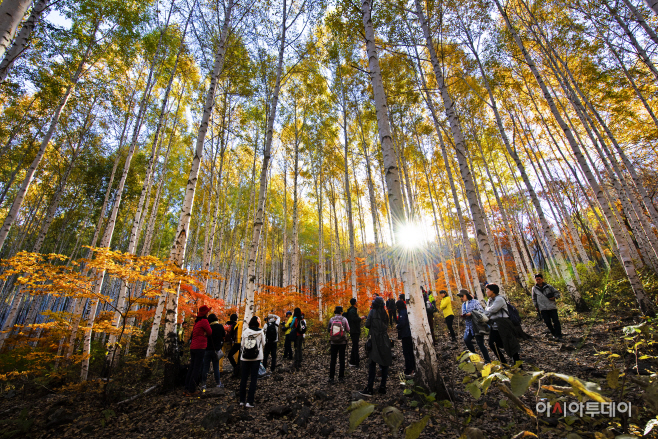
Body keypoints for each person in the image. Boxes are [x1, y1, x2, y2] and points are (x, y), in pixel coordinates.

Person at [359, 296, 392, 396]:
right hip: (384, 339)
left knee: (372, 363)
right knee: (384, 363)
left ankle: (369, 388)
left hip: (374, 339)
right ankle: (383, 387)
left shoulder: (372, 312)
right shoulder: (384, 313)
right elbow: (387, 324)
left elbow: (367, 325)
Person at [484, 283, 521, 366]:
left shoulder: (499, 299)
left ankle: (518, 365)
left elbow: (490, 311)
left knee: (510, 344)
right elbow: (487, 312)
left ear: (493, 291)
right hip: (495, 326)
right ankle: (503, 362)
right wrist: (486, 312)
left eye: (487, 290)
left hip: (504, 325)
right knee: (492, 344)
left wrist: (486, 312)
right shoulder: (490, 300)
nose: (486, 292)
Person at [457, 290, 491, 364]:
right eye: (460, 297)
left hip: (477, 326)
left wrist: (471, 313)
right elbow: (464, 313)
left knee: (480, 343)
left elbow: (481, 311)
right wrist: (464, 316)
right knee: (466, 340)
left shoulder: (475, 302)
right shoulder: (463, 305)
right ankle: (475, 357)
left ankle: (487, 360)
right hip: (468, 326)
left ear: (466, 295)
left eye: (462, 296)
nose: (461, 298)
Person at [184, 305, 212, 395]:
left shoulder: (197, 322)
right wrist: (205, 333)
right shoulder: (204, 321)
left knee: (192, 367)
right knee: (197, 368)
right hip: (200, 347)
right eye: (207, 312)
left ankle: (187, 387)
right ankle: (192, 390)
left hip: (193, 347)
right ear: (205, 313)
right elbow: (210, 332)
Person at [239, 316, 265, 408]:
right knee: (253, 379)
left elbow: (242, 345)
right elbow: (264, 343)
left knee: (244, 378)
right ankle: (250, 401)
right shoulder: (260, 331)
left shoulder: (245, 331)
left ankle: (242, 400)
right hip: (256, 357)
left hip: (245, 358)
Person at [532, 274, 563, 341]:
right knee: (547, 322)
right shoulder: (534, 288)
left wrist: (554, 297)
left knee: (556, 321)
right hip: (542, 308)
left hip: (552, 307)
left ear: (542, 279)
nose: (538, 281)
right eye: (537, 279)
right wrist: (536, 307)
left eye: (539, 279)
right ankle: (554, 334)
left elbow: (557, 293)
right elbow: (534, 298)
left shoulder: (549, 287)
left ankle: (559, 335)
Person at [201, 313, 225, 389]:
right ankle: (218, 383)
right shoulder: (220, 326)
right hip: (216, 350)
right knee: (216, 367)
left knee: (205, 367)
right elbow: (224, 335)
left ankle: (203, 384)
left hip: (207, 349)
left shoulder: (207, 327)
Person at [327, 306, 350, 383]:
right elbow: (348, 329)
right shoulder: (344, 319)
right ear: (341, 312)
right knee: (342, 359)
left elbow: (328, 329)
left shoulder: (331, 319)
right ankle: (341, 377)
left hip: (333, 342)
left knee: (333, 360)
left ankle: (331, 378)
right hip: (342, 342)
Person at [396, 300, 415, 376]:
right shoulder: (405, 311)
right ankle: (411, 368)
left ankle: (409, 369)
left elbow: (403, 323)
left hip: (406, 334)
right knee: (409, 352)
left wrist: (397, 326)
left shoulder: (402, 312)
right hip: (407, 334)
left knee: (407, 352)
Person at [343, 298, 361, 367]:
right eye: (356, 301)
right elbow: (353, 319)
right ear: (355, 303)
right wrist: (360, 318)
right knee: (355, 346)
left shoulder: (352, 310)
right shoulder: (352, 311)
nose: (357, 302)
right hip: (354, 330)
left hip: (354, 330)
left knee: (355, 345)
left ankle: (352, 361)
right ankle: (356, 362)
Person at [227, 313, 243, 378]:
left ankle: (235, 368)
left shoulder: (236, 325)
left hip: (236, 343)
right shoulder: (244, 325)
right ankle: (237, 370)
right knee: (239, 358)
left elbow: (232, 333)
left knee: (229, 355)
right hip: (242, 343)